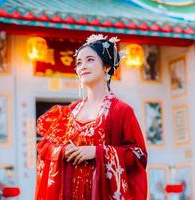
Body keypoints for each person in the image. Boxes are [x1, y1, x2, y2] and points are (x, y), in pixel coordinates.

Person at [35, 34, 147, 200]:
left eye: (89, 60)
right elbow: (44, 147)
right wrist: (63, 150)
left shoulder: (121, 110)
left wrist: (97, 152)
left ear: (107, 67)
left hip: (101, 193)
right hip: (69, 192)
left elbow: (139, 155)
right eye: (79, 63)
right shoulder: (70, 112)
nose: (82, 66)